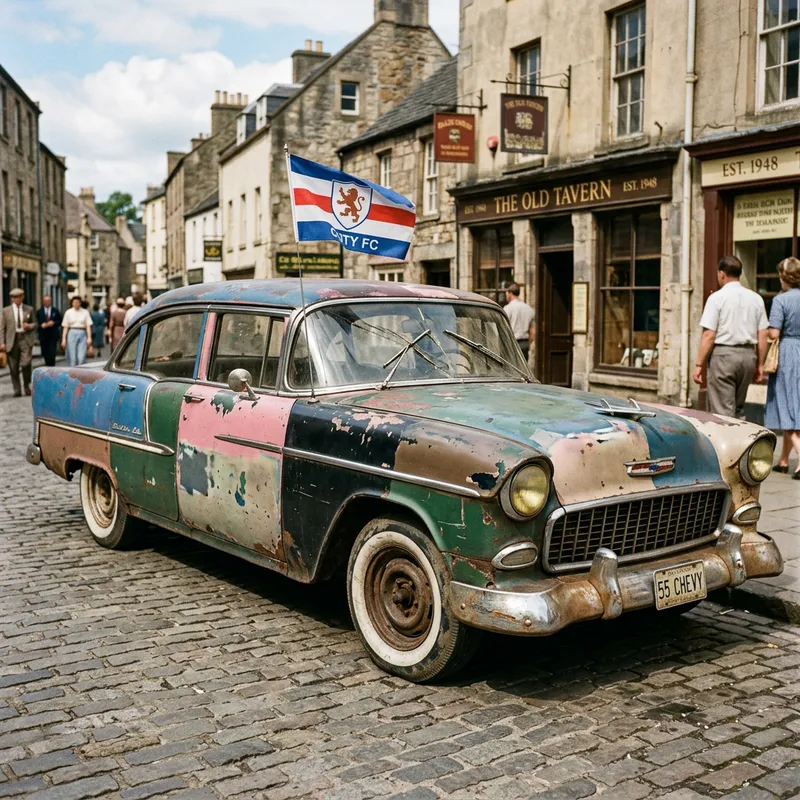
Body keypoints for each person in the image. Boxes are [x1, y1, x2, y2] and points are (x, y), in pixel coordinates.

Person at [693, 255, 768, 418]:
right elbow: (763, 334)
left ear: (721, 274)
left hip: (724, 356)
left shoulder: (716, 298)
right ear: (739, 274)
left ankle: (726, 443)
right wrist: (760, 364)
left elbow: (708, 335)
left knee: (722, 412)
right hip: (748, 356)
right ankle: (742, 442)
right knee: (738, 409)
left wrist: (699, 364)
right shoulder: (756, 299)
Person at [765, 257, 800, 478]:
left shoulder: (781, 300)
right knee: (796, 402)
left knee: (787, 404)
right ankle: (784, 460)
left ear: (783, 277)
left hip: (788, 353)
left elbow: (774, 333)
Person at [0, 288, 36, 396]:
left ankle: (26, 385)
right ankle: (17, 389)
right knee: (13, 367)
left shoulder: (29, 309)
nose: (17, 299)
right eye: (14, 297)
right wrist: (2, 343)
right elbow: (2, 328)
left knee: (26, 363)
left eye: (19, 297)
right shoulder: (6, 311)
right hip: (12, 340)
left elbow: (35, 323)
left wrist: (29, 326)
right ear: (12, 299)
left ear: (22, 297)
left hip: (25, 338)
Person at [503, 283, 535, 362]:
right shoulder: (529, 308)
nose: (506, 295)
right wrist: (528, 343)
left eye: (506, 293)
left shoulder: (507, 308)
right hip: (524, 344)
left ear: (510, 293)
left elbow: (504, 328)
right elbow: (533, 331)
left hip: (512, 343)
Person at [61, 296, 94, 366]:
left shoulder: (85, 312)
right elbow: (65, 326)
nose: (76, 304)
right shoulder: (68, 312)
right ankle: (73, 373)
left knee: (81, 357)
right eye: (74, 302)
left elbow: (88, 325)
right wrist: (63, 339)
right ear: (72, 303)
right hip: (72, 332)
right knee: (72, 357)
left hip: (82, 332)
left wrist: (89, 337)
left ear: (80, 303)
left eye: (78, 302)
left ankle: (80, 371)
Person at [36, 295, 62, 367]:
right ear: (43, 302)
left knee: (52, 353)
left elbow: (60, 321)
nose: (47, 302)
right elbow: (36, 322)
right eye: (45, 301)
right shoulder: (39, 312)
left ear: (51, 301)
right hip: (43, 336)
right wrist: (41, 325)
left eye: (48, 301)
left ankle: (52, 367)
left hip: (53, 335)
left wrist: (53, 323)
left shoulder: (55, 311)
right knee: (45, 353)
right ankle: (47, 365)